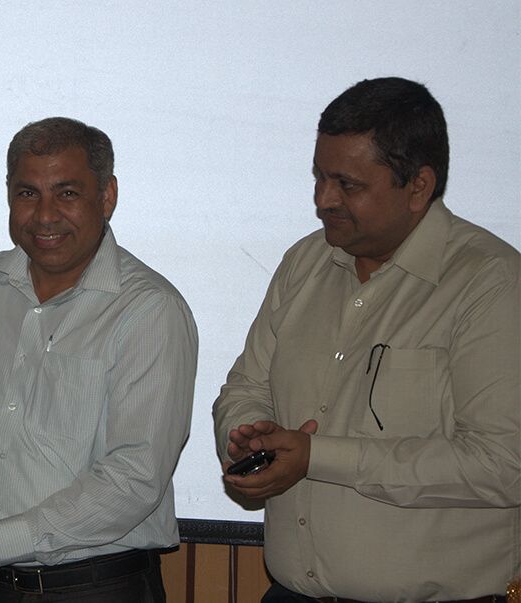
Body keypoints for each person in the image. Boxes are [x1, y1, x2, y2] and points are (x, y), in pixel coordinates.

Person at [213, 77, 520, 601]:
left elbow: (503, 464)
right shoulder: (303, 263)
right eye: (318, 177)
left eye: (347, 184)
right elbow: (245, 385)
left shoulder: (490, 283)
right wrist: (248, 437)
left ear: (418, 187)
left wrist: (317, 456)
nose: (322, 200)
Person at [0, 117, 198, 601]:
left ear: (107, 196)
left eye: (67, 193)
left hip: (93, 586)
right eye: (27, 194)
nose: (45, 215)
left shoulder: (150, 309)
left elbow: (135, 478)